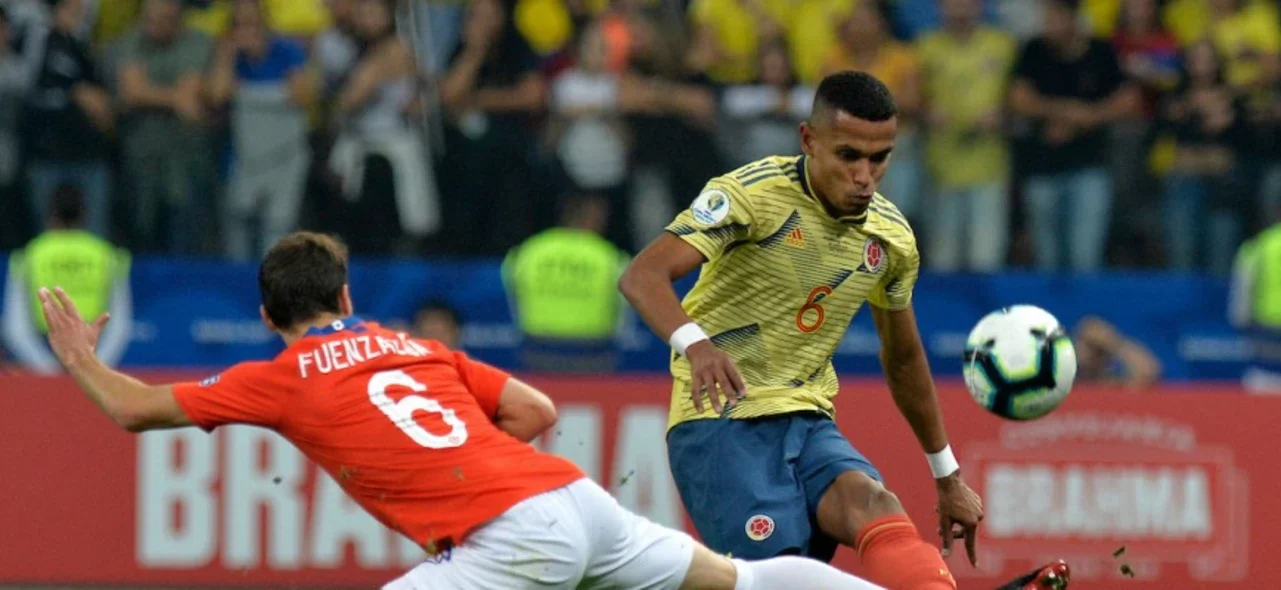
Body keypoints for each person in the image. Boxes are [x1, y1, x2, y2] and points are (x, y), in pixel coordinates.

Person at [37, 231, 886, 590]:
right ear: (346, 293)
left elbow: (134, 409)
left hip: (515, 536)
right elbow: (537, 406)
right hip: (571, 499)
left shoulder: (283, 372)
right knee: (741, 580)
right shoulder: (412, 345)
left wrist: (77, 356)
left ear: (267, 317)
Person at [619, 71, 1068, 590]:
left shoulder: (892, 238)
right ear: (809, 140)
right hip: (722, 421)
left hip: (809, 419)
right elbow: (641, 276)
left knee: (875, 504)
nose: (865, 176)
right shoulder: (750, 196)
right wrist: (696, 346)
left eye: (880, 158)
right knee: (780, 576)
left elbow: (902, 359)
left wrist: (947, 476)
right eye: (849, 155)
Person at [3, 184, 131, 374]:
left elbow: (15, 326)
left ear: (49, 213)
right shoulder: (106, 254)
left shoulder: (30, 254)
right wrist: (95, 367)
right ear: (85, 214)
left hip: (43, 349)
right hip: (94, 349)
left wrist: (46, 369)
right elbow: (120, 324)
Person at [1073, 316, 1162, 388]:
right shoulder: (1067, 381)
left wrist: (1115, 344)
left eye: (1099, 351)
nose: (1091, 354)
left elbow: (1149, 372)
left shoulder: (1113, 384)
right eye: (1088, 346)